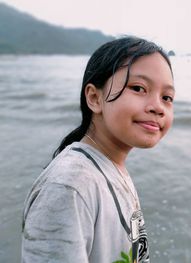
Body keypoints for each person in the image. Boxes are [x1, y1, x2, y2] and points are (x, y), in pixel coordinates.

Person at [21, 36, 175, 263]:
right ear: (94, 98)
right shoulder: (70, 186)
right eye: (139, 88)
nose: (158, 107)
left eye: (167, 97)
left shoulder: (110, 166)